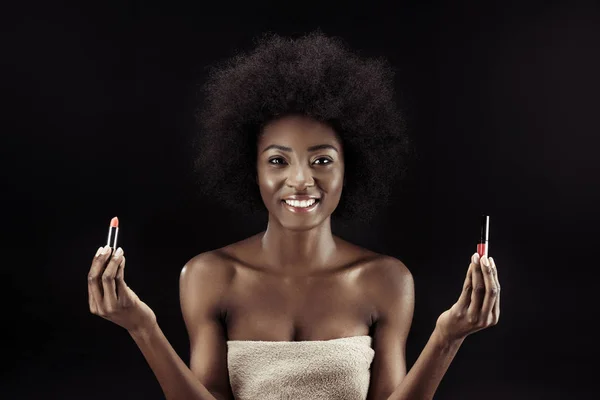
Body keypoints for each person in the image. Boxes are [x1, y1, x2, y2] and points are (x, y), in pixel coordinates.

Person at [87, 31, 501, 400]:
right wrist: (142, 328)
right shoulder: (208, 275)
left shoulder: (387, 280)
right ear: (252, 169)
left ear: (349, 168)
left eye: (321, 160)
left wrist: (448, 337)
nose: (301, 179)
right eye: (278, 161)